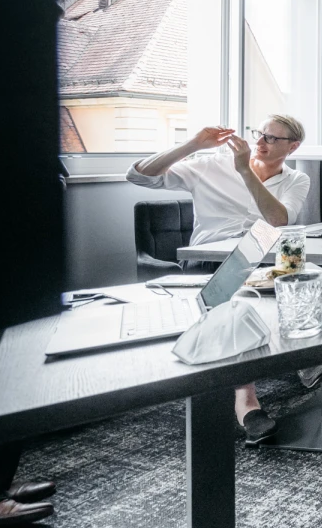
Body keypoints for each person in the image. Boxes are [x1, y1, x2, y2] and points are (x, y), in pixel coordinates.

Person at [127, 115, 311, 442]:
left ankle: (307, 356)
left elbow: (277, 220)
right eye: (259, 133)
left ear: (292, 147)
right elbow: (138, 176)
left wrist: (246, 173)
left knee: (305, 274)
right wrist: (194, 144)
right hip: (208, 258)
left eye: (271, 138)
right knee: (235, 297)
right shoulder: (212, 165)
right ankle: (246, 399)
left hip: (261, 253)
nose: (260, 142)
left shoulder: (296, 179)